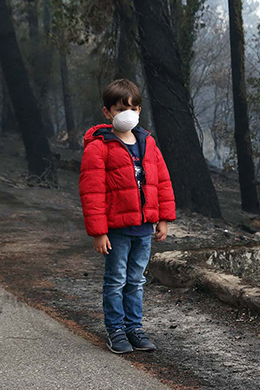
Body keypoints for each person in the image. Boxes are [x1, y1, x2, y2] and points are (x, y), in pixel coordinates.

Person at [79, 79, 176, 354]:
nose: (129, 113)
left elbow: (163, 181)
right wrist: (98, 231)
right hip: (117, 231)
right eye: (122, 108)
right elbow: (91, 192)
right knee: (116, 280)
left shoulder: (148, 142)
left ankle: (134, 327)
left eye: (134, 107)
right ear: (107, 112)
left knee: (136, 280)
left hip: (144, 228)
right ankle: (116, 330)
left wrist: (164, 218)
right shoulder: (99, 147)